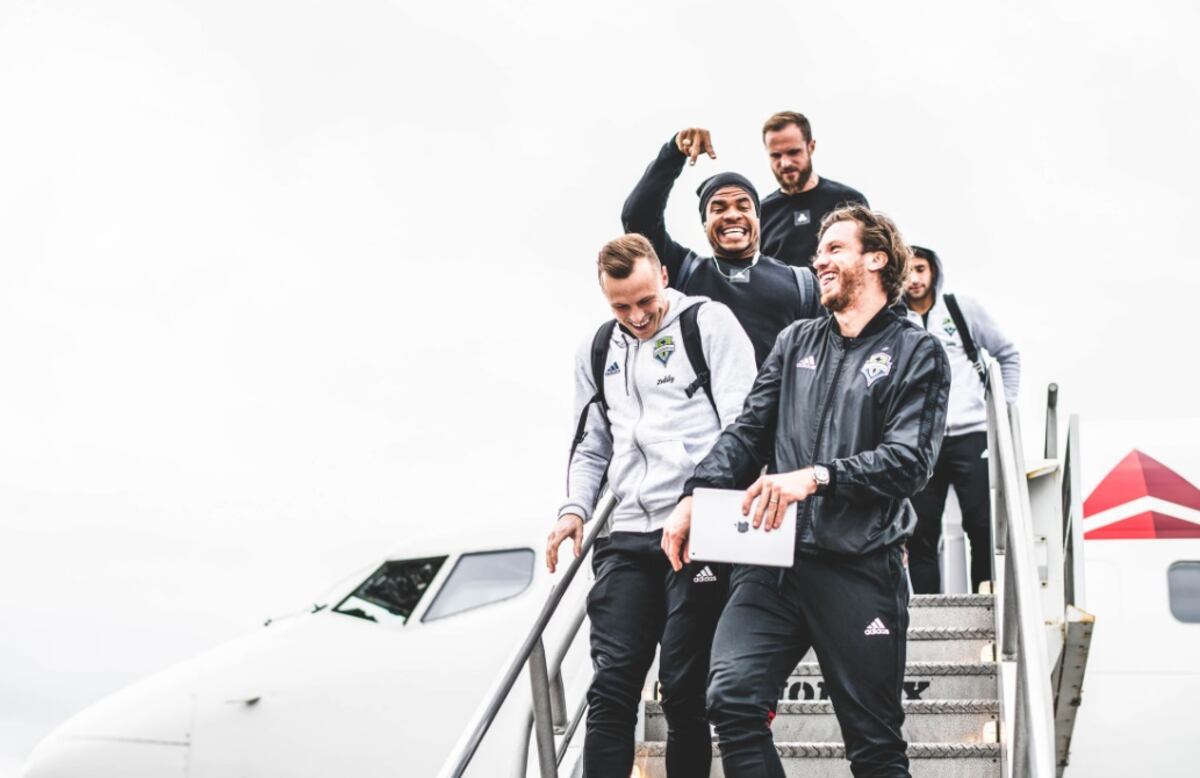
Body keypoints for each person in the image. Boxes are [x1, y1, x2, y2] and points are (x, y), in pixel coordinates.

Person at [661, 205, 950, 778]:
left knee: (874, 747)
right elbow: (747, 431)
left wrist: (817, 477)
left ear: (877, 258)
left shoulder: (918, 352)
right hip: (773, 562)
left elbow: (910, 462)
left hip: (861, 568)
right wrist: (698, 493)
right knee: (732, 698)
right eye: (818, 250)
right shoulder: (795, 342)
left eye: (835, 248)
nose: (819, 259)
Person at [546, 233, 757, 778]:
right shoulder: (598, 349)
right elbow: (591, 444)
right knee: (611, 688)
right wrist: (574, 509)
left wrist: (698, 498)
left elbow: (745, 425)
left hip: (699, 530)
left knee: (685, 692)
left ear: (663, 274)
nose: (637, 316)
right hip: (627, 535)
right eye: (621, 306)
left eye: (645, 300)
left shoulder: (708, 323)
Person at [621, 128, 822, 366]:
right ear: (705, 224)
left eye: (743, 206)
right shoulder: (684, 271)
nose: (732, 215)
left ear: (758, 219)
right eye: (718, 208)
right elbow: (637, 219)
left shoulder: (802, 284)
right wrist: (673, 153)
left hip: (779, 404)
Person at [902, 245, 1021, 594]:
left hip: (972, 434)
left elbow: (1007, 354)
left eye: (920, 269)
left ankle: (985, 599)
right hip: (923, 442)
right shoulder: (894, 320)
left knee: (982, 524)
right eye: (907, 271)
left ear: (934, 272)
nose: (914, 279)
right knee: (920, 530)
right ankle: (926, 605)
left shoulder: (961, 309)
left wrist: (1004, 406)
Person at [759, 111, 869, 268]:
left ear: (811, 147)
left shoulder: (848, 201)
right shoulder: (761, 212)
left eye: (793, 152)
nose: (785, 163)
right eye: (776, 155)